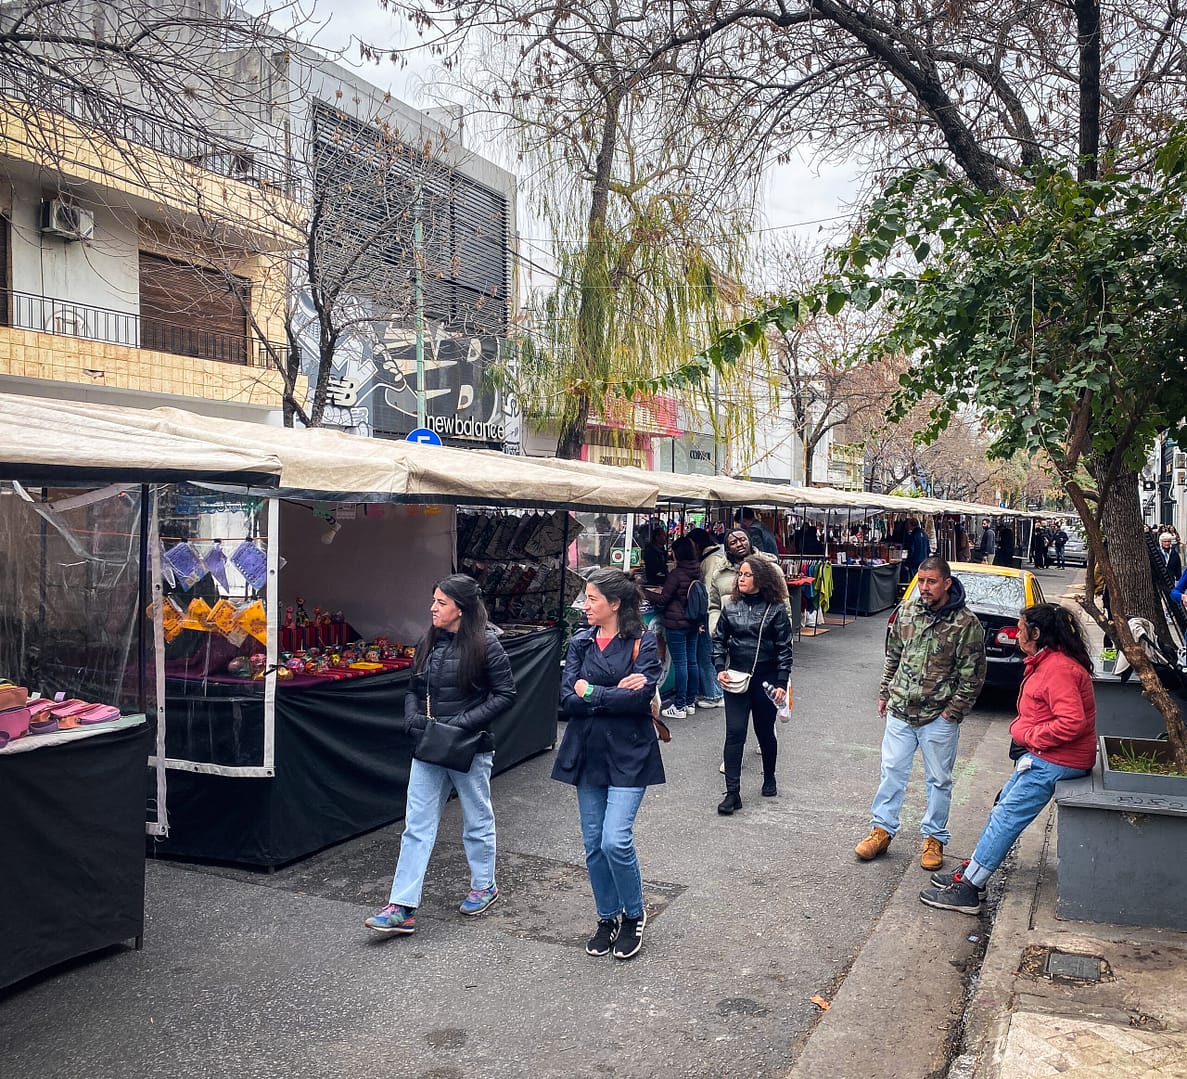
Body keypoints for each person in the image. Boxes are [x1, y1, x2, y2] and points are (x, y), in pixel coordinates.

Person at [919, 603, 1096, 913]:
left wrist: (1030, 738)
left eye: (1021, 628)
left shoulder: (1058, 668)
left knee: (1006, 817)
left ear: (1037, 633)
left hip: (1056, 760)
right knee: (1002, 807)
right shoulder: (1048, 663)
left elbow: (1072, 721)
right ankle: (974, 871)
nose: (1017, 635)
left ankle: (969, 889)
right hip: (1046, 756)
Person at [366, 575, 516, 935]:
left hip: (469, 748)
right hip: (430, 744)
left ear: (460, 609)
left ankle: (484, 885)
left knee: (477, 819)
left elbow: (505, 694)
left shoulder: (487, 646)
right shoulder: (428, 641)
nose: (433, 608)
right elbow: (413, 688)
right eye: (433, 601)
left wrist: (462, 724)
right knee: (416, 825)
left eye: (441, 602)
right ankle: (401, 905)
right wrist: (412, 720)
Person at [553, 568, 664, 961]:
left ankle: (634, 913)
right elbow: (566, 699)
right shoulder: (580, 642)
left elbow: (638, 699)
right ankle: (607, 916)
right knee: (593, 843)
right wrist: (612, 691)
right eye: (586, 598)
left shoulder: (642, 643)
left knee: (615, 839)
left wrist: (592, 692)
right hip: (586, 751)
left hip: (631, 752)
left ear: (614, 604)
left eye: (592, 599)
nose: (585, 606)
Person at [855, 556, 987, 870]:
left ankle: (934, 838)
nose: (924, 588)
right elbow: (893, 657)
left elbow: (974, 675)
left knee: (939, 780)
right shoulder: (906, 613)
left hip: (938, 717)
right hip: (900, 711)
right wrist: (885, 691)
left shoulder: (966, 624)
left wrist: (952, 713)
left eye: (931, 582)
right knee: (892, 773)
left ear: (947, 583)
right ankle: (882, 830)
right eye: (921, 581)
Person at [712, 556, 794, 813]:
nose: (741, 578)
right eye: (740, 574)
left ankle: (769, 777)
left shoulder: (776, 610)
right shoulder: (730, 607)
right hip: (736, 679)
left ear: (760, 578)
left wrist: (781, 682)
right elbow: (719, 641)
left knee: (764, 731)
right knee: (735, 733)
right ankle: (732, 793)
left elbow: (784, 649)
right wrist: (718, 668)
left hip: (766, 681)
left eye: (747, 574)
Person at [652, 536, 704, 720]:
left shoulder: (677, 574)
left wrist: (642, 592)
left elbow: (664, 598)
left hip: (676, 623)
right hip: (692, 621)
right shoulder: (696, 569)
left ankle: (680, 705)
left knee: (681, 663)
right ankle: (689, 702)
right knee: (692, 662)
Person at [687, 528, 725, 710]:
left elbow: (709, 592)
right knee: (710, 654)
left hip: (710, 614)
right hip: (718, 613)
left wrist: (702, 617)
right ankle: (714, 691)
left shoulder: (711, 561)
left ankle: (714, 694)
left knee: (705, 654)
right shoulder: (718, 555)